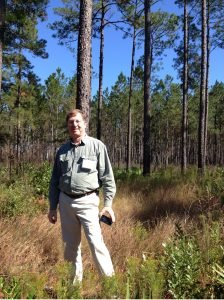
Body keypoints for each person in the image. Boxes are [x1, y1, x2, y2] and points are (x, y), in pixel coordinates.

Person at [48, 108, 116, 283]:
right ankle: (73, 288)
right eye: (71, 122)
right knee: (70, 247)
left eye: (78, 121)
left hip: (88, 201)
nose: (74, 125)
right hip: (65, 202)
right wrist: (52, 207)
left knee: (96, 244)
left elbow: (107, 177)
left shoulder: (97, 146)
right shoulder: (62, 151)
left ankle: (110, 288)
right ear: (68, 126)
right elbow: (55, 180)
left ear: (84, 123)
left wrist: (108, 204)